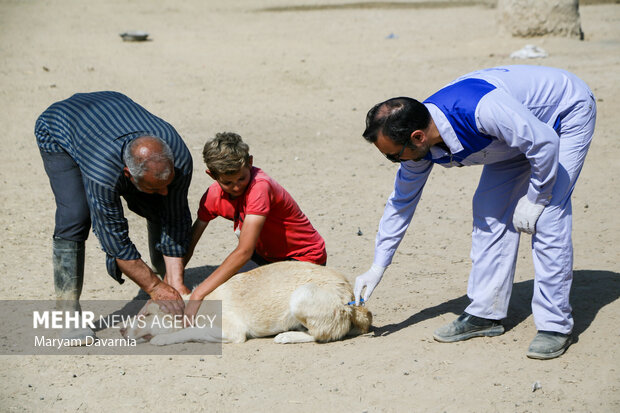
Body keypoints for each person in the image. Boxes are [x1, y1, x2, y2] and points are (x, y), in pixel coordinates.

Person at [354, 65, 596, 360]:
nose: (394, 161)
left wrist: (537, 197)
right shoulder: (418, 142)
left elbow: (544, 144)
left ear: (417, 137)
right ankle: (486, 313)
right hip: (516, 135)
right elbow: (401, 203)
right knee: (489, 211)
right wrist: (378, 265)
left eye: (393, 156)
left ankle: (555, 326)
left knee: (547, 216)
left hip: (562, 114)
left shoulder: (482, 111)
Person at [36, 91, 193, 340]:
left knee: (158, 204)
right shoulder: (103, 174)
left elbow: (174, 218)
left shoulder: (180, 157)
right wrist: (153, 287)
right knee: (76, 215)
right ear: (128, 175)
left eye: (167, 182)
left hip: (110, 109)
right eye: (154, 185)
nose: (164, 190)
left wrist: (174, 283)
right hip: (61, 127)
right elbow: (115, 242)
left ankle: (167, 283)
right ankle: (66, 315)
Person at [183, 132, 327, 320]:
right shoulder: (212, 195)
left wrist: (197, 294)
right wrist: (174, 281)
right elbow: (191, 241)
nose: (236, 187)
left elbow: (244, 251)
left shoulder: (260, 187)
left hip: (303, 258)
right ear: (212, 175)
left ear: (250, 162)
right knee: (223, 293)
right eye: (227, 182)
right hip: (266, 257)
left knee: (250, 309)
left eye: (241, 178)